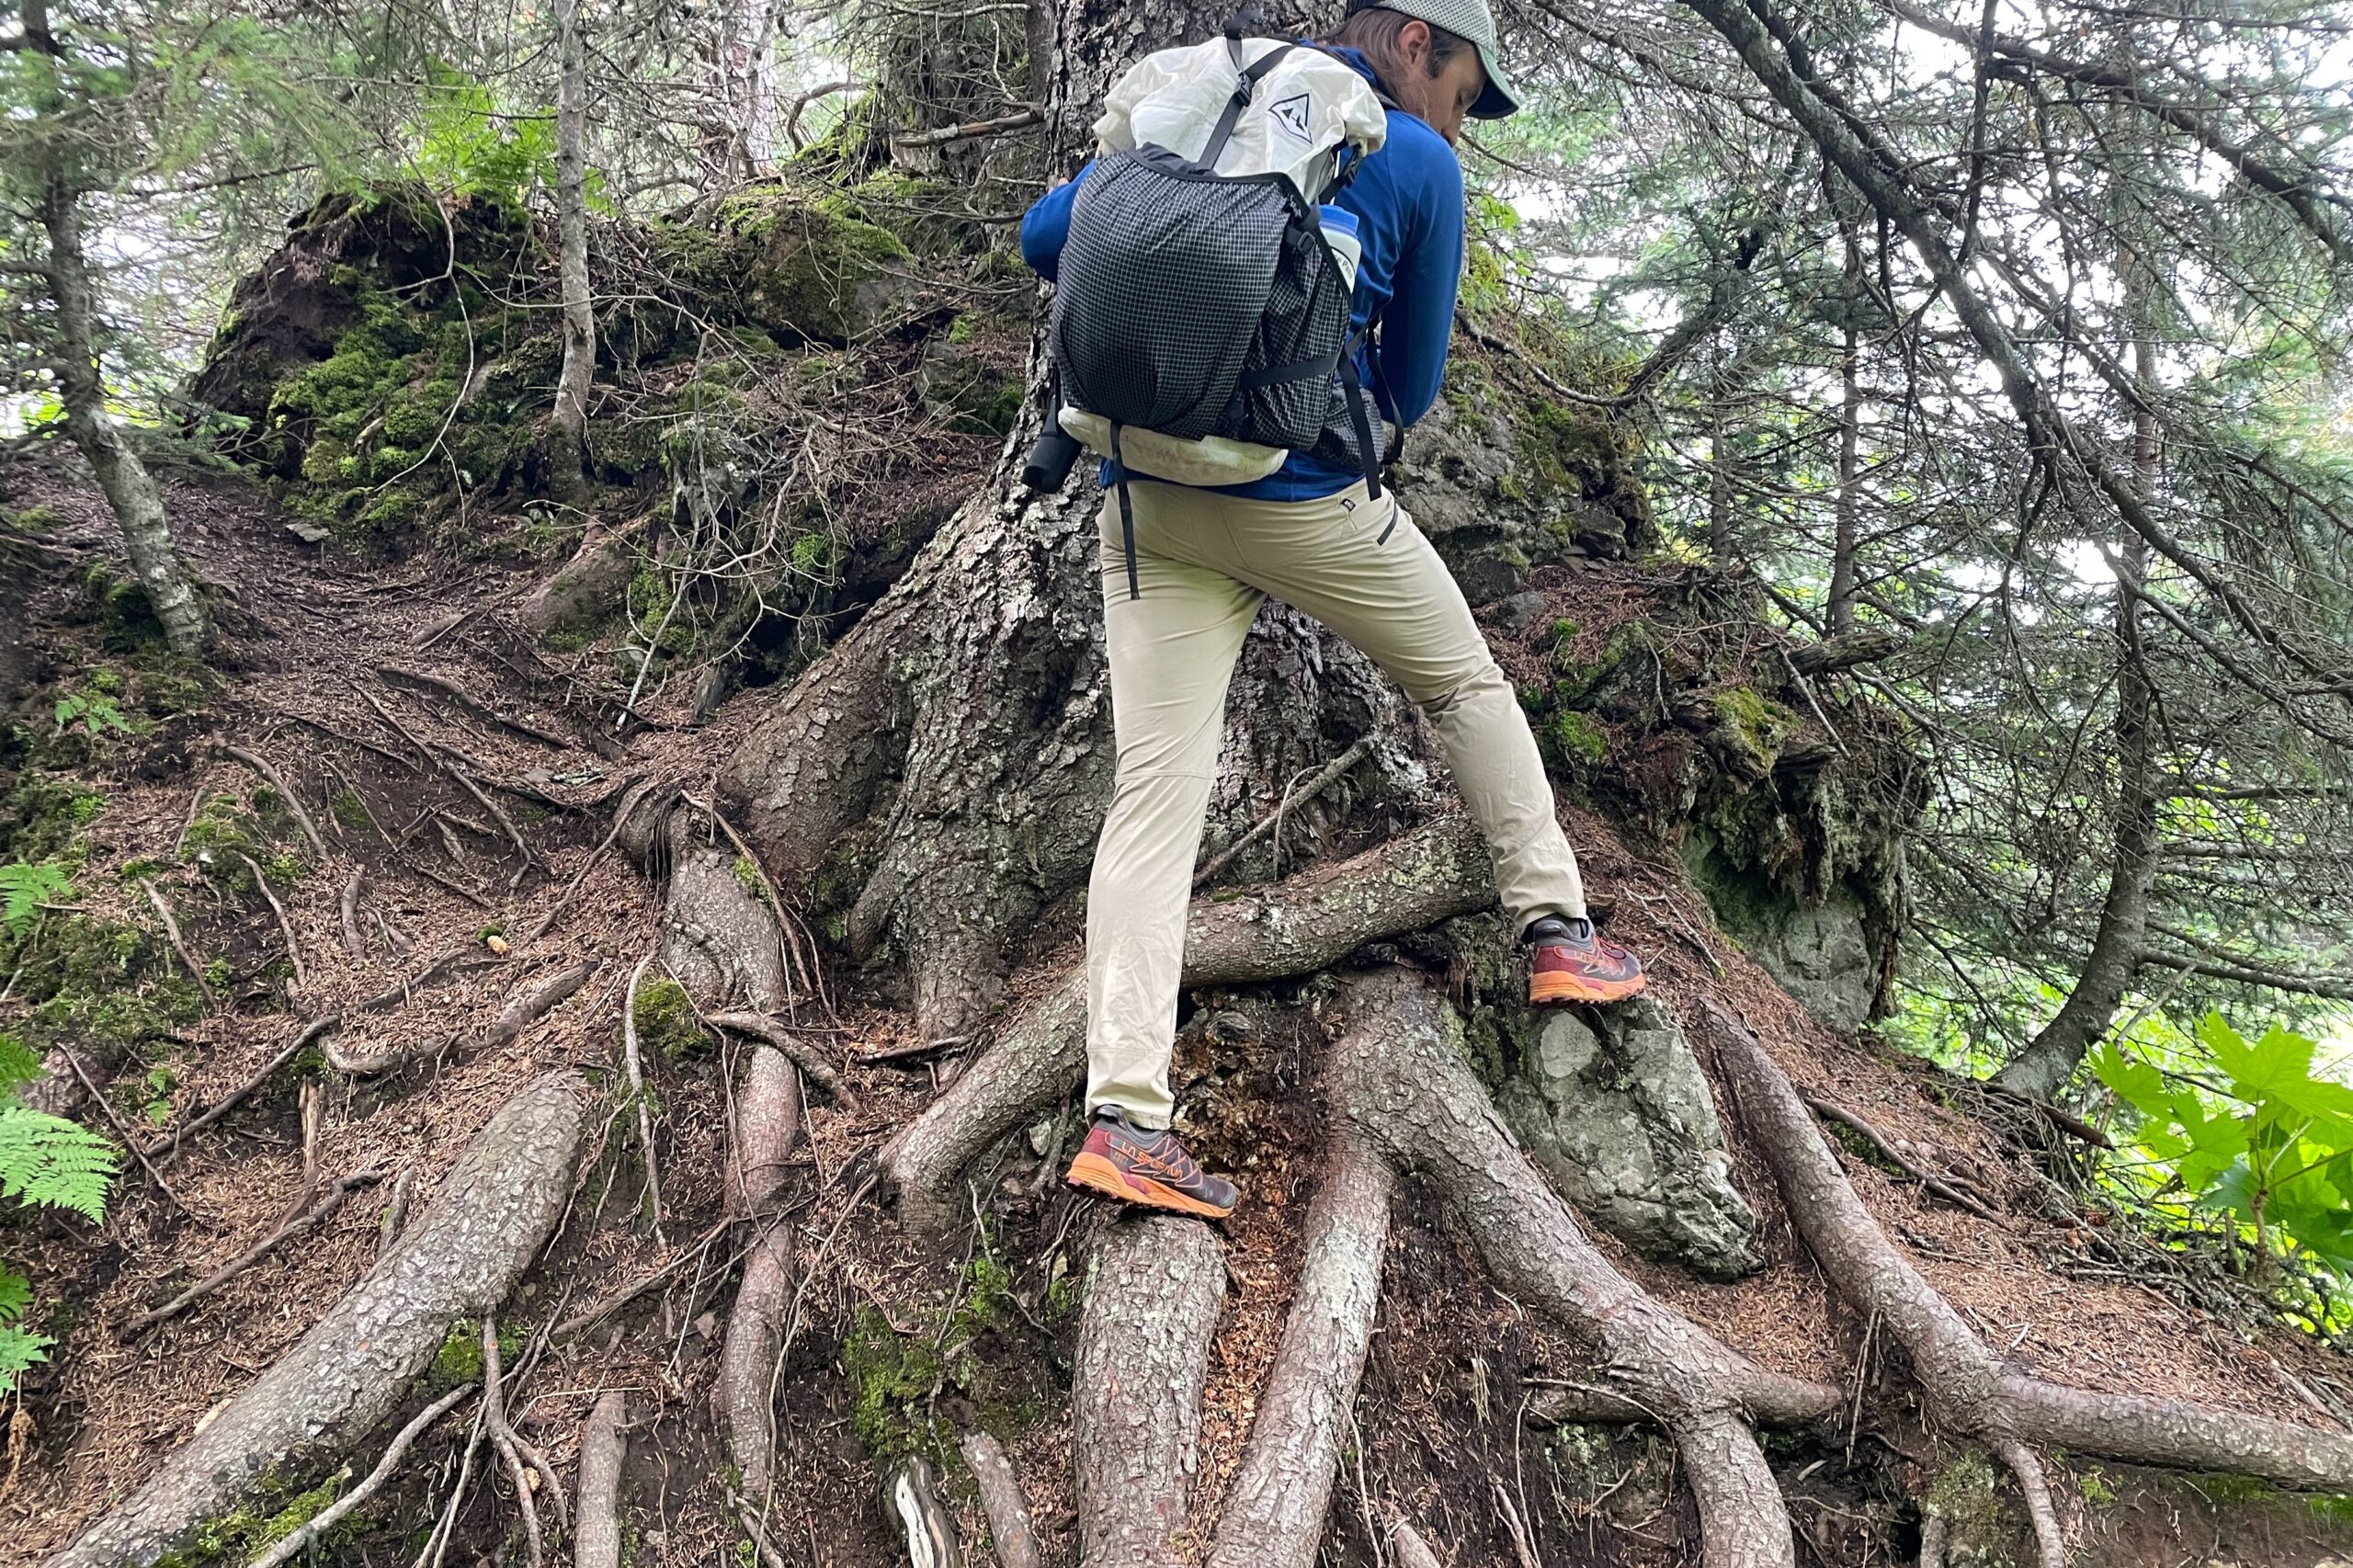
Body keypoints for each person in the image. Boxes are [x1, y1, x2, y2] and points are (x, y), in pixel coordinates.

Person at [1020, 0, 1647, 1221]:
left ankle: (1125, 1116)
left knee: (1152, 802)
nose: (1458, 116)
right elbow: (1409, 388)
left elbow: (1053, 236)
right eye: (1465, 86)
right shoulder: (1409, 157)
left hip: (1147, 499)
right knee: (1463, 684)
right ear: (1413, 38)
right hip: (1305, 500)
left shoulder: (1188, 108)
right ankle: (1556, 927)